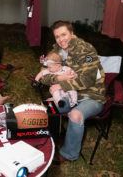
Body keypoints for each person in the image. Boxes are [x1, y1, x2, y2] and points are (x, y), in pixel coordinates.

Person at [40, 20, 105, 162]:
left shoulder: (86, 50)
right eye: (57, 36)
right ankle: (48, 142)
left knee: (75, 115)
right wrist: (60, 77)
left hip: (92, 96)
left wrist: (62, 84)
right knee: (46, 107)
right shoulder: (57, 49)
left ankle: (68, 154)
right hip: (69, 95)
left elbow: (87, 80)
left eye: (64, 34)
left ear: (72, 33)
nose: (61, 39)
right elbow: (43, 75)